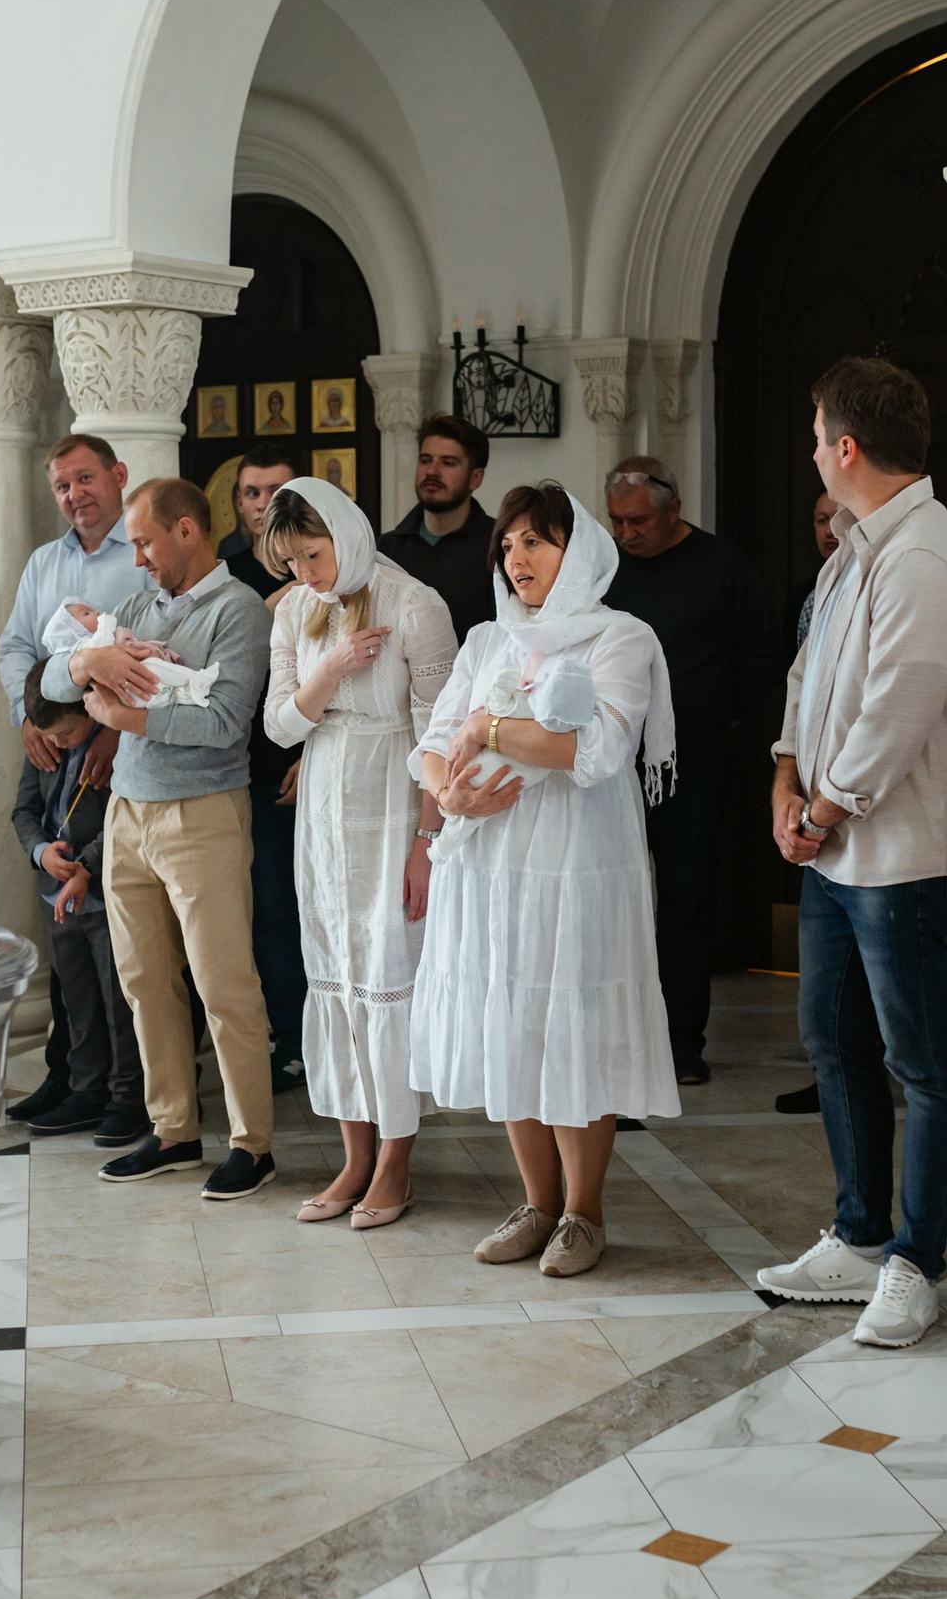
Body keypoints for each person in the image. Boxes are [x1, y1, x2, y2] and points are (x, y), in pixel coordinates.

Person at [754, 356, 947, 1350]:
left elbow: (898, 701)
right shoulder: (851, 549)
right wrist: (782, 776)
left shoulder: (925, 555)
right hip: (834, 847)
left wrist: (825, 802)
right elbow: (809, 674)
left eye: (816, 437)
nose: (812, 452)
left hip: (906, 851)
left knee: (926, 1065)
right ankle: (856, 1234)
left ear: (845, 448)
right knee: (834, 1042)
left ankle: (913, 1260)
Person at [411, 483, 678, 1277]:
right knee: (513, 1017)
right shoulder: (488, 640)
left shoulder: (620, 638)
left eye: (537, 541)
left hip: (578, 859)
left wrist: (488, 729)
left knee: (575, 1022)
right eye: (509, 544)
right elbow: (430, 742)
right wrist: (447, 789)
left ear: (580, 551)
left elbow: (595, 752)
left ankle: (583, 1212)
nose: (517, 558)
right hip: (492, 855)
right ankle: (535, 1201)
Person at [43, 476, 280, 1200]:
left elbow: (221, 723)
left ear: (187, 531)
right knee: (143, 979)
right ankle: (174, 1128)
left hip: (201, 812)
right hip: (128, 814)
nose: (137, 557)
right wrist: (91, 661)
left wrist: (123, 715)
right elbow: (58, 681)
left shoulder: (238, 610)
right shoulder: (137, 605)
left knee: (221, 981)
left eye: (145, 541)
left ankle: (252, 1141)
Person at [260, 478, 455, 1224]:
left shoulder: (415, 604)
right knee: (334, 974)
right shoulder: (299, 613)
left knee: (386, 973)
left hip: (394, 799)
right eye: (291, 562)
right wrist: (333, 668)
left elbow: (439, 734)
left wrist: (426, 842)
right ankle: (354, 1158)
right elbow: (281, 725)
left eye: (313, 553)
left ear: (344, 530)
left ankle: (396, 1166)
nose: (306, 574)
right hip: (324, 814)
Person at [605, 453, 781, 1085]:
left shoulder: (722, 567)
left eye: (638, 522)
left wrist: (722, 714)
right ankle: (617, 1038)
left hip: (693, 765)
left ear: (673, 509)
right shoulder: (603, 569)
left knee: (685, 901)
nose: (626, 534)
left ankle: (681, 1042)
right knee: (611, 895)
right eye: (617, 522)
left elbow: (763, 655)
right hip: (611, 764)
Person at [0, 434, 146, 1126]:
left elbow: (153, 647)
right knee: (65, 942)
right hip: (52, 742)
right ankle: (69, 1073)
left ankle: (120, 1085)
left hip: (115, 748)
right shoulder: (42, 563)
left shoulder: (138, 552)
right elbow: (16, 648)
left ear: (116, 476)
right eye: (61, 485)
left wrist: (117, 726)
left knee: (113, 945)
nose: (74, 495)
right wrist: (26, 716)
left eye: (85, 479)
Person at [10, 661, 144, 1147]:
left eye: (68, 733)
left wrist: (88, 862)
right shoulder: (47, 744)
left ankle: (130, 1098)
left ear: (89, 708)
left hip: (106, 891)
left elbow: (129, 813)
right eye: (52, 736)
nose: (60, 744)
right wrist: (40, 852)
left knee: (119, 1002)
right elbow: (24, 810)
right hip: (56, 895)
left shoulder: (122, 743)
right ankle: (87, 1091)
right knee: (76, 1001)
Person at [221, 441, 312, 1090]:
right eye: (251, 493)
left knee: (317, 906)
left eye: (275, 493)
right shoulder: (224, 574)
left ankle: (317, 1037)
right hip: (241, 766)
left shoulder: (320, 572)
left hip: (310, 763)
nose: (261, 505)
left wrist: (314, 755)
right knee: (267, 906)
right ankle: (283, 1036)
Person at [378, 413, 497, 641]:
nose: (432, 471)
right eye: (425, 460)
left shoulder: (500, 545)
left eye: (448, 462)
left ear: (475, 478)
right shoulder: (386, 549)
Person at [789, 488, 841, 658]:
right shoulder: (802, 600)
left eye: (838, 519)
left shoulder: (866, 585)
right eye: (822, 520)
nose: (829, 531)